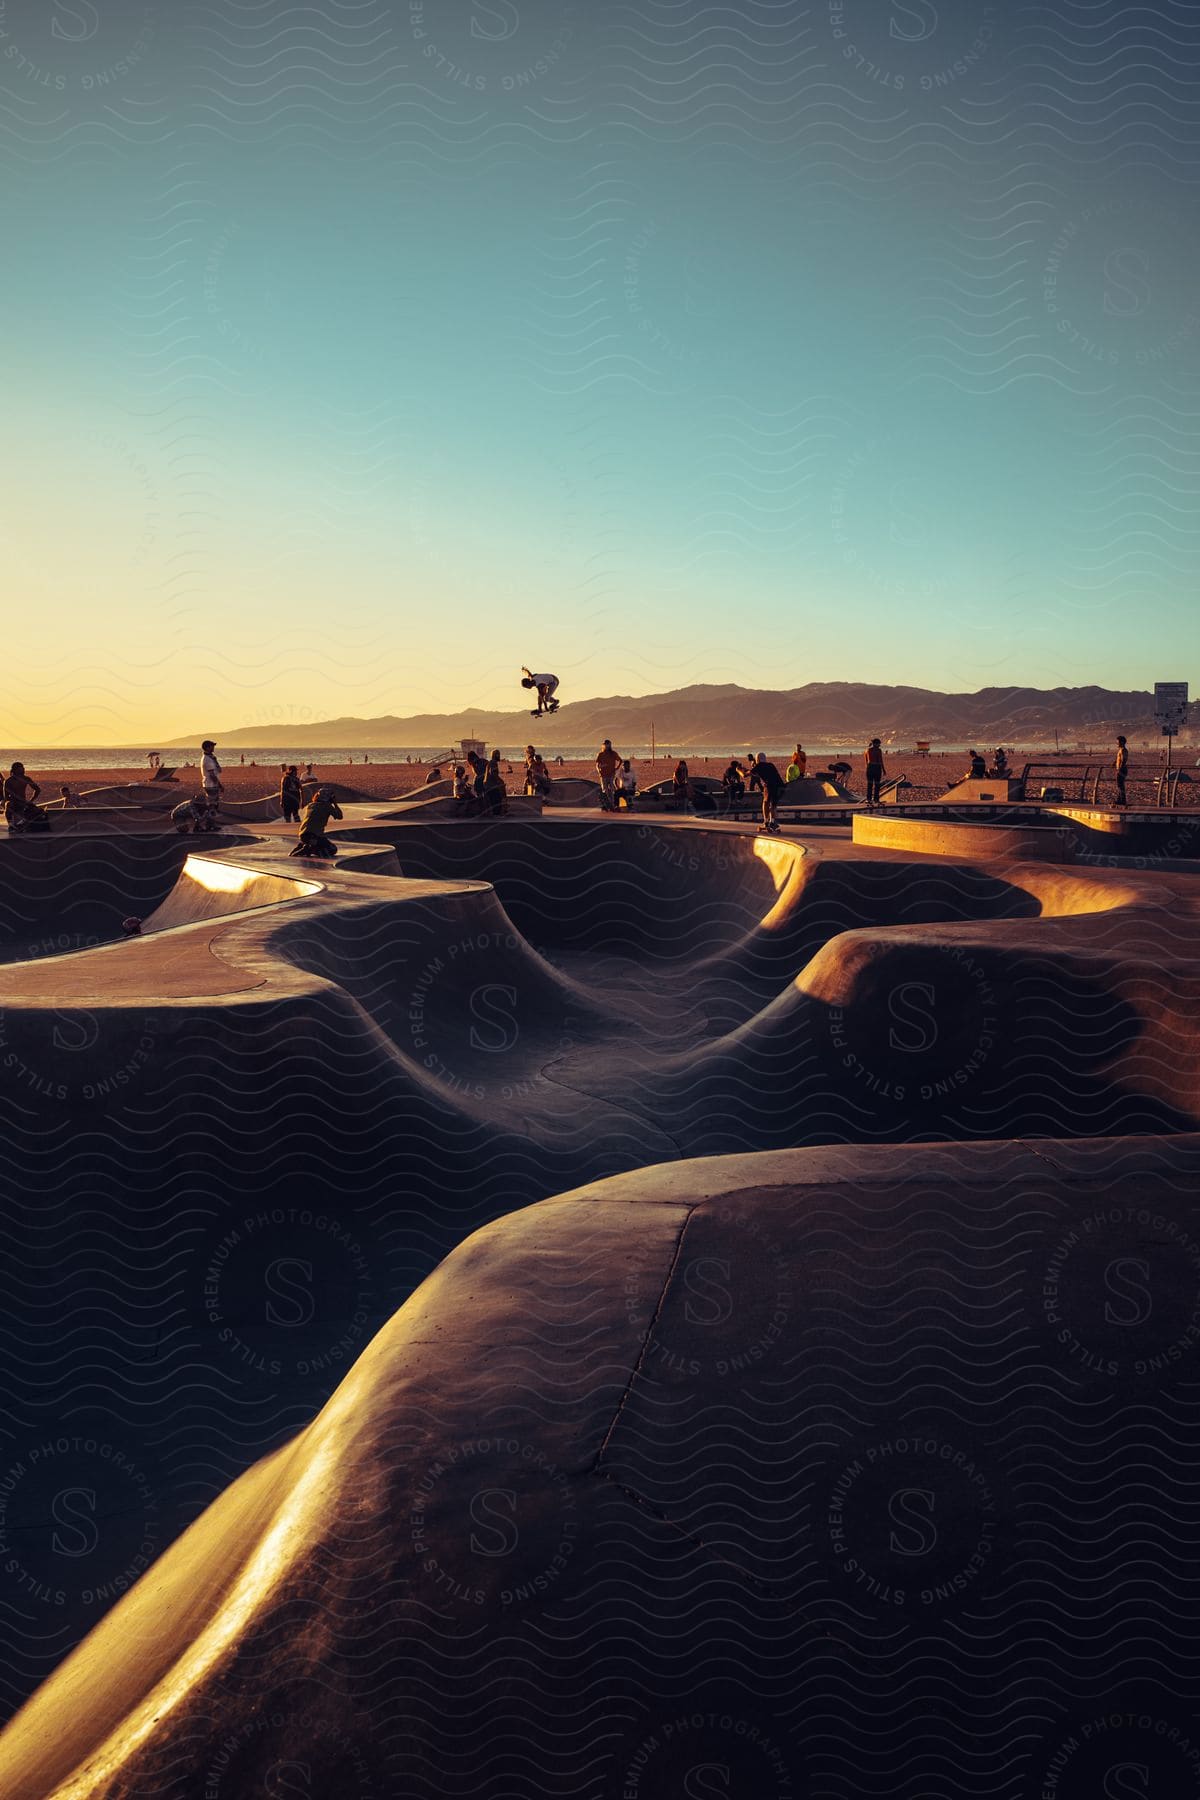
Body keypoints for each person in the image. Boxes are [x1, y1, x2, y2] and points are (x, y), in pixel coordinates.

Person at [292, 787, 343, 858]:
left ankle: (304, 845)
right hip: (315, 836)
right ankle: (309, 849)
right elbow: (340, 816)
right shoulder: (327, 806)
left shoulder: (310, 805)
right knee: (332, 850)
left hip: (303, 835)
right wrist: (335, 804)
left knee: (322, 847)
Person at [749, 752, 784, 833]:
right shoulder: (771, 765)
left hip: (769, 786)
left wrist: (739, 769)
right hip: (779, 786)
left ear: (757, 759)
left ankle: (766, 822)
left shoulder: (758, 766)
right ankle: (773, 822)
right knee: (773, 805)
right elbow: (769, 774)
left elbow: (745, 775)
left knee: (765, 802)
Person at [595, 739, 622, 810]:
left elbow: (620, 760)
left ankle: (613, 804)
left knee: (612, 789)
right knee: (605, 790)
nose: (606, 746)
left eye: (608, 744)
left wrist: (617, 768)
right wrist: (599, 771)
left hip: (611, 774)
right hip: (603, 775)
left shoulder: (613, 754)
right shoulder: (600, 754)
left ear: (610, 745)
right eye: (605, 745)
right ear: (603, 745)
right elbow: (597, 764)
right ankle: (606, 804)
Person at [482, 749, 507, 815]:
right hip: (491, 785)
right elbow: (493, 773)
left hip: (488, 785)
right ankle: (497, 813)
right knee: (497, 799)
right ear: (495, 755)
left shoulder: (490, 762)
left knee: (495, 798)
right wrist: (500, 781)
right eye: (498, 754)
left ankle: (497, 812)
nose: (499, 756)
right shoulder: (493, 763)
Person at [201, 740, 223, 812]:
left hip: (210, 784)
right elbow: (212, 775)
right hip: (211, 785)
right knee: (213, 804)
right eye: (212, 746)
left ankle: (211, 818)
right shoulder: (207, 760)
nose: (213, 748)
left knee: (213, 802)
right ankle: (210, 819)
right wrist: (219, 785)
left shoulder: (210, 758)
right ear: (207, 748)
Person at [865, 739, 886, 807]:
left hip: (869, 767)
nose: (879, 745)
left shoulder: (867, 750)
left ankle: (869, 799)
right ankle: (876, 799)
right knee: (877, 785)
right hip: (876, 767)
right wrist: (883, 769)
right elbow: (880, 760)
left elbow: (866, 761)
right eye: (878, 744)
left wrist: (867, 768)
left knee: (870, 784)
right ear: (875, 744)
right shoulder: (877, 750)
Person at [1114, 735, 1129, 807]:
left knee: (1120, 785)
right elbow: (1119, 759)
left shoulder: (1123, 750)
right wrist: (1114, 763)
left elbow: (1124, 760)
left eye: (1118, 742)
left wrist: (1120, 768)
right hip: (1120, 769)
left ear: (1122, 742)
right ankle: (1120, 799)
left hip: (1122, 770)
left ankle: (1122, 800)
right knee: (1119, 785)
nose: (1117, 743)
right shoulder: (1120, 750)